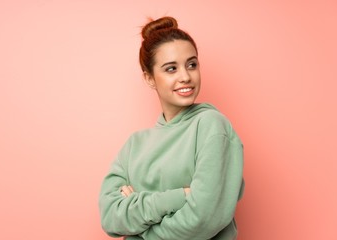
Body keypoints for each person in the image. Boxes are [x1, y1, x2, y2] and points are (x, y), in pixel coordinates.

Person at [99, 16, 245, 240]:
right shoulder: (134, 145)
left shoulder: (211, 126)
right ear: (149, 78)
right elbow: (111, 218)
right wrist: (179, 197)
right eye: (171, 69)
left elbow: (203, 220)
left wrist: (138, 227)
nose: (185, 76)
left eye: (192, 65)